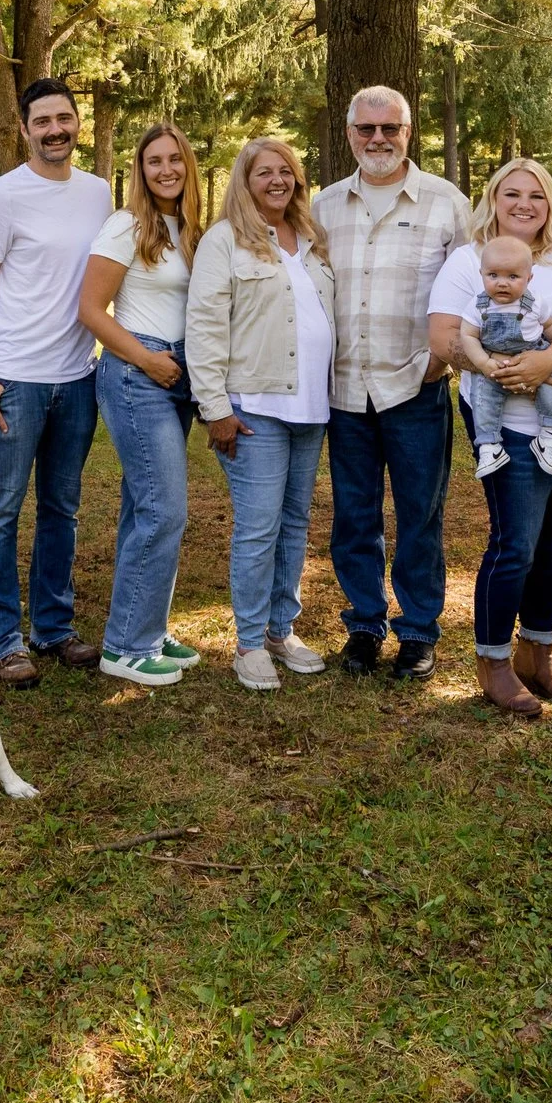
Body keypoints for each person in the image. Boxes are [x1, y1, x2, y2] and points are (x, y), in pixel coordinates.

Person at [425, 159, 552, 716]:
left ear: (549, 204)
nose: (524, 204)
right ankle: (494, 661)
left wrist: (545, 361)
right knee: (515, 547)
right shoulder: (468, 260)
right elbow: (444, 336)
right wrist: (501, 370)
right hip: (507, 426)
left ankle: (538, 652)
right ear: (493, 199)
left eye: (537, 195)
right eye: (512, 194)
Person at [312, 85, 470, 680]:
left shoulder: (447, 203)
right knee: (354, 516)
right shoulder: (323, 207)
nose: (378, 139)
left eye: (390, 128)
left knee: (419, 515)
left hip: (416, 388)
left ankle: (418, 630)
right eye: (366, 128)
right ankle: (363, 626)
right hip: (344, 391)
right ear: (349, 132)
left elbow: (472, 292)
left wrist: (441, 361)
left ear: (409, 132)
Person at [0, 78, 116, 686]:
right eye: (43, 121)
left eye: (65, 118)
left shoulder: (100, 193)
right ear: (24, 129)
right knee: (0, 509)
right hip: (15, 379)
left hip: (78, 376)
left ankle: (53, 627)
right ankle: (2, 638)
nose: (56, 129)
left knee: (62, 506)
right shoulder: (2, 197)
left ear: (77, 123)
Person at [187, 137, 337, 692]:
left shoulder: (312, 240)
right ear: (244, 182)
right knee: (258, 527)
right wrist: (215, 409)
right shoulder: (223, 241)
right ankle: (249, 644)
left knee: (295, 523)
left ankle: (280, 630)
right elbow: (203, 327)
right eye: (264, 173)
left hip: (311, 407)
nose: (277, 180)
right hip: (253, 408)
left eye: (286, 171)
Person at [78, 122, 206, 688]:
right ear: (140, 169)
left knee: (144, 507)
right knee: (164, 509)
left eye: (174, 160)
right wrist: (148, 361)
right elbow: (90, 308)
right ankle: (126, 646)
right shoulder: (126, 225)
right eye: (154, 161)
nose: (165, 170)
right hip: (138, 373)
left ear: (189, 166)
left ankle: (147, 630)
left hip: (180, 372)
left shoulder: (193, 229)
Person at [457, 235, 552, 480]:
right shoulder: (478, 305)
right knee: (483, 399)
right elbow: (468, 335)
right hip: (494, 363)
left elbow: (549, 326)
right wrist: (483, 363)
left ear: (529, 278)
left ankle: (548, 438)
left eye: (513, 277)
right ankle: (490, 447)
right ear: (482, 273)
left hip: (534, 356)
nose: (502, 283)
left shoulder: (534, 302)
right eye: (493, 275)